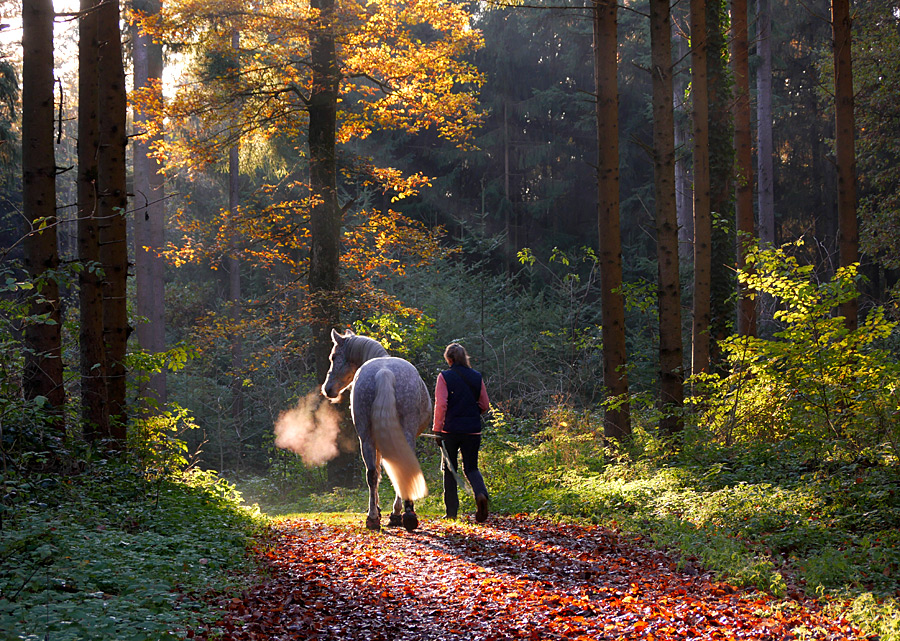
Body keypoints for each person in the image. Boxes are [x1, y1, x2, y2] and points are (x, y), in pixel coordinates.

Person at [432, 342, 491, 522]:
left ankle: (451, 513)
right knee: (471, 467)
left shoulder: (444, 377)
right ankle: (481, 494)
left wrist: (437, 429)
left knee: (450, 470)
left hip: (450, 431)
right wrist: (472, 414)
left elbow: (441, 405)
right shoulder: (476, 376)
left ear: (449, 359)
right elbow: (485, 405)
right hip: (472, 431)